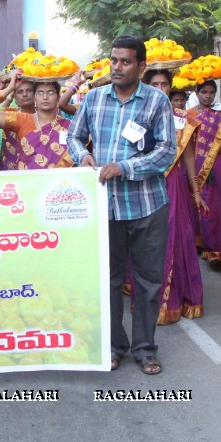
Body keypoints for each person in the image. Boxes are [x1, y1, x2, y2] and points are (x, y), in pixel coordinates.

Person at [68, 36, 176, 375]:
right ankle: (114, 346)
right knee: (108, 280)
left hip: (147, 205)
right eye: (113, 60)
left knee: (147, 281)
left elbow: (166, 151)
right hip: (105, 207)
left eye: (125, 62)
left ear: (141, 66)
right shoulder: (95, 98)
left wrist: (126, 167)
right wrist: (83, 156)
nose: (117, 67)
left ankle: (145, 349)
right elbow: (73, 135)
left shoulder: (157, 101)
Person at [138, 68, 208, 322]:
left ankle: (178, 299)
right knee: (147, 242)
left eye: (164, 84)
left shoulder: (182, 118)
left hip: (174, 184)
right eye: (154, 84)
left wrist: (195, 188)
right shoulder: (137, 114)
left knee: (175, 238)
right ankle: (150, 300)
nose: (160, 89)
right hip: (144, 182)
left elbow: (188, 154)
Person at [0, 73, 73, 169]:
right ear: (35, 97)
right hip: (25, 181)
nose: (45, 97)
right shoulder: (21, 119)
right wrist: (9, 89)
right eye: (40, 92)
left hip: (56, 182)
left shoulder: (69, 126)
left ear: (58, 97)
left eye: (50, 92)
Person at [194, 80, 221, 267]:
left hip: (219, 166)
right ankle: (204, 246)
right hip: (197, 165)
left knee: (220, 207)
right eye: (204, 92)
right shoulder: (191, 115)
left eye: (211, 92)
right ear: (197, 93)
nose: (208, 95)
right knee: (201, 207)